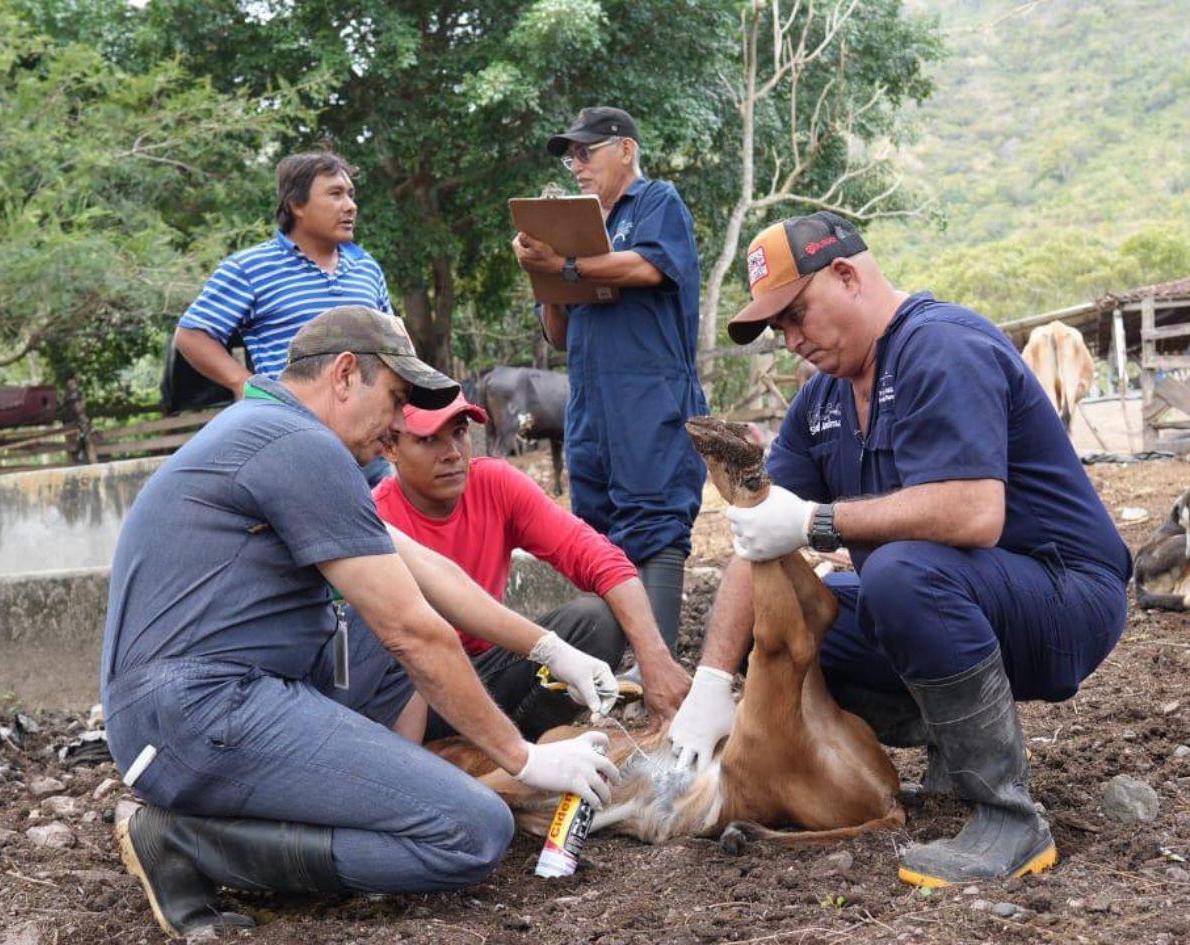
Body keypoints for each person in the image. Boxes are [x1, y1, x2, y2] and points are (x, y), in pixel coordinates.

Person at [102, 306, 618, 938]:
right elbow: (414, 631)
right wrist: (523, 758)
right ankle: (183, 843)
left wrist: (550, 647)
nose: (399, 423)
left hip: (202, 704)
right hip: (199, 714)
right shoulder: (297, 445)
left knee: (380, 633)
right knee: (473, 831)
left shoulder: (277, 432)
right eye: (396, 398)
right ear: (346, 375)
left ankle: (373, 805)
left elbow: (427, 573)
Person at [666, 212, 1131, 887]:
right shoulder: (822, 400)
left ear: (846, 275)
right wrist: (711, 680)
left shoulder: (942, 347)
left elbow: (974, 511)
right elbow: (759, 534)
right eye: (778, 328)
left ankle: (1009, 816)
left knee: (899, 573)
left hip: (1065, 596)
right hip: (965, 595)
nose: (791, 339)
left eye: (797, 314)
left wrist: (816, 521)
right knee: (789, 619)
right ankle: (951, 755)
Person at [374, 394, 693, 736]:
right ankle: (462, 755)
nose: (452, 452)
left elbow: (598, 557)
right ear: (390, 448)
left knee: (596, 622)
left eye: (459, 432)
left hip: (488, 669)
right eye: (428, 439)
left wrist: (654, 659)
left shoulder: (494, 484)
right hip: (420, 694)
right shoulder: (376, 518)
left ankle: (530, 743)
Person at [511, 106, 708, 659]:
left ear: (625, 150)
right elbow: (558, 335)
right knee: (595, 530)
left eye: (586, 152)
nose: (576, 165)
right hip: (589, 403)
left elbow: (649, 267)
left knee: (656, 519)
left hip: (649, 396)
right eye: (570, 157)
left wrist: (567, 263)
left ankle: (657, 668)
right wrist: (545, 274)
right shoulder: (575, 231)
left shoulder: (655, 202)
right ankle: (607, 668)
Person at [174, 150, 395, 484]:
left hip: (368, 451)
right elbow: (191, 334)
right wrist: (244, 384)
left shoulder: (366, 269)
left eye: (351, 195)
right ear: (296, 205)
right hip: (293, 446)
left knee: (376, 519)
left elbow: (393, 348)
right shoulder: (250, 268)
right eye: (335, 194)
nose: (350, 206)